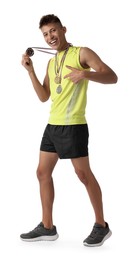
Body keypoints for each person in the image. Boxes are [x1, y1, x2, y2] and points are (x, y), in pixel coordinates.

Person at [20, 14, 118, 247]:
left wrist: (85, 73)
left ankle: (101, 226)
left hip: (73, 125)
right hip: (53, 125)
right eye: (45, 34)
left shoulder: (81, 53)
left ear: (63, 29)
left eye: (53, 31)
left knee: (83, 175)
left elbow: (112, 77)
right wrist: (30, 71)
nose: (50, 37)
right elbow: (44, 97)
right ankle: (47, 227)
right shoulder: (51, 63)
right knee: (42, 173)